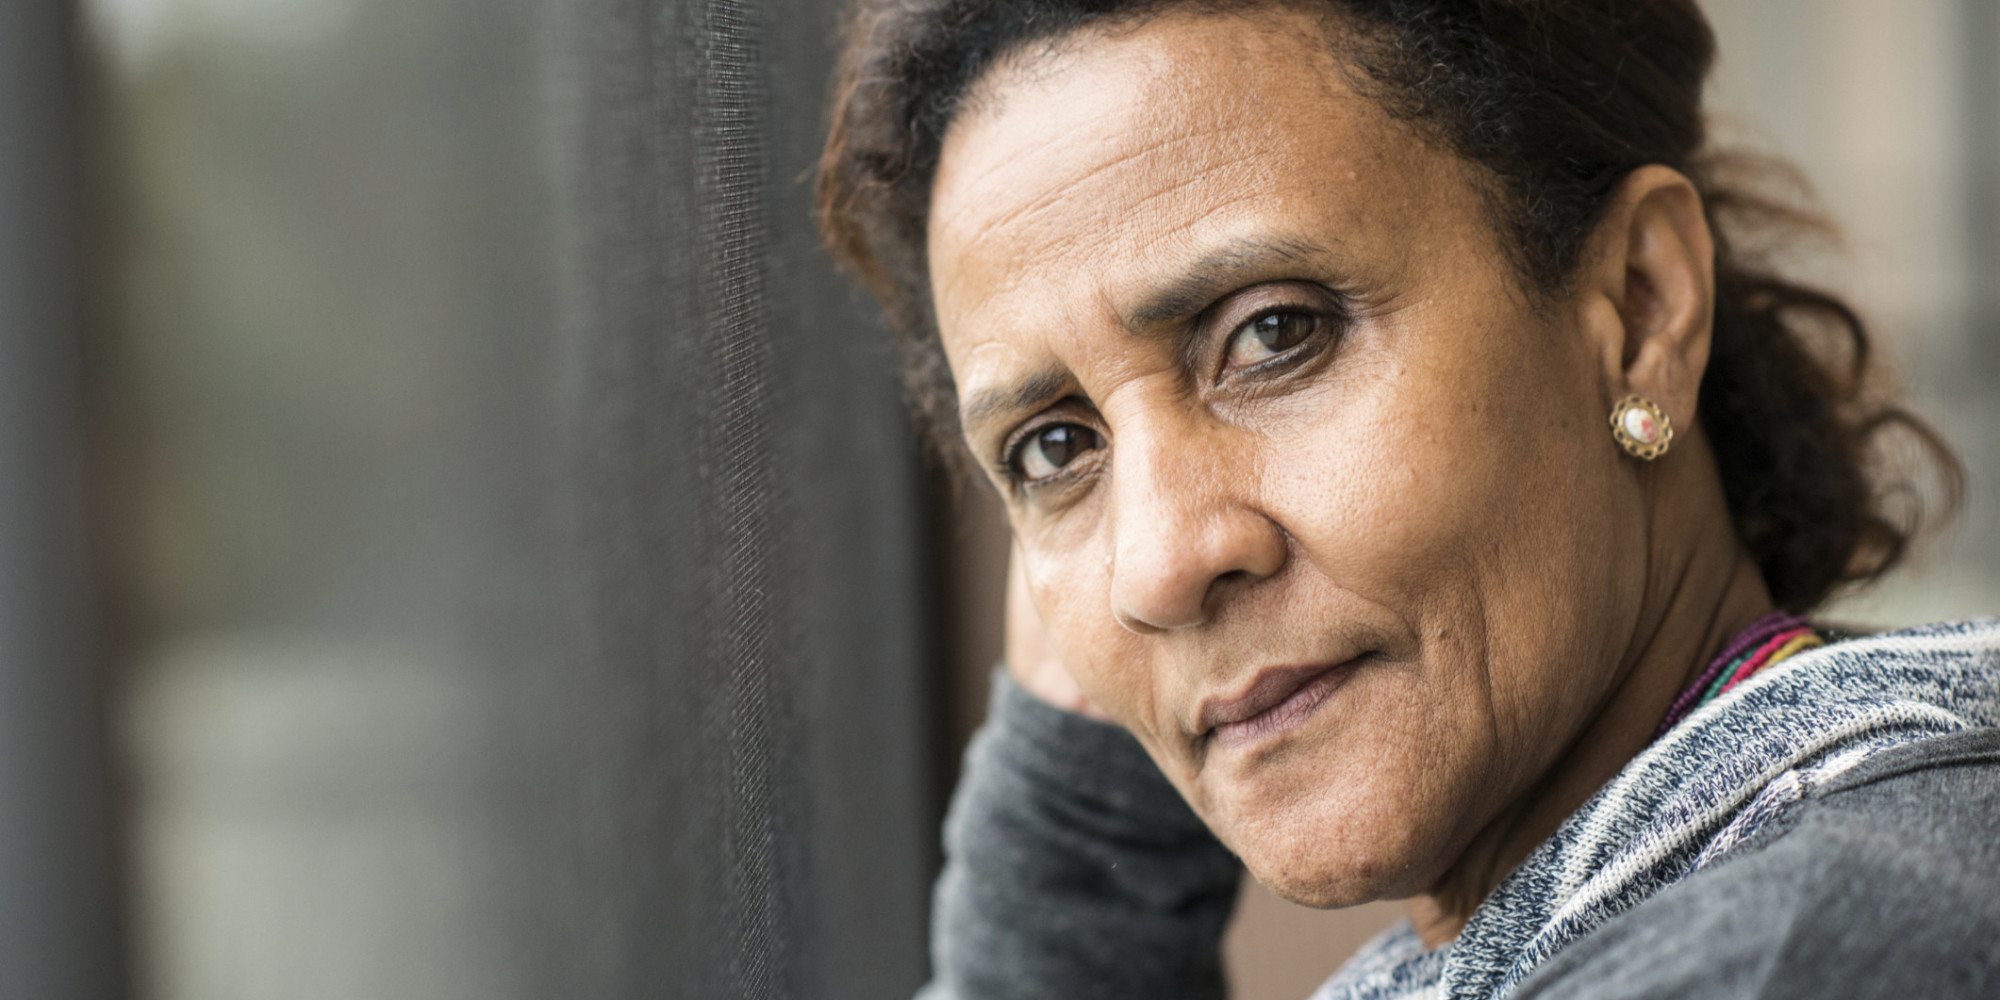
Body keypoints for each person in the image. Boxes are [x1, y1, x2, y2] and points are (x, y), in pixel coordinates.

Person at [816, 1, 2000, 997]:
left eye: (1274, 334)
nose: (1157, 564)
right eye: (1051, 448)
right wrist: (1077, 820)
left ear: (1639, 310)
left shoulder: (1797, 952)